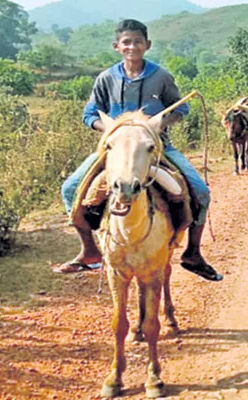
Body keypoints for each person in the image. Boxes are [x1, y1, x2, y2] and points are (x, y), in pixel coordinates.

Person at [55, 19, 222, 282]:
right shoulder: (106, 78)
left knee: (199, 190)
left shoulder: (162, 77)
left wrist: (154, 127)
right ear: (116, 46)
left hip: (156, 148)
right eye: (126, 42)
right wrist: (111, 130)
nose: (132, 47)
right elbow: (89, 114)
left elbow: (180, 108)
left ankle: (193, 253)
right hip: (114, 151)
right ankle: (89, 251)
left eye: (138, 42)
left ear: (147, 45)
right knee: (70, 189)